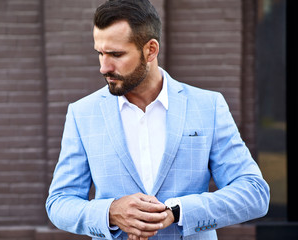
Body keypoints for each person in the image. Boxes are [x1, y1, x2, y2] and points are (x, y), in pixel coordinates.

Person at [46, 0, 270, 239]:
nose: (104, 67)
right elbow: (59, 203)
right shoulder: (82, 114)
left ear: (150, 50)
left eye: (116, 54)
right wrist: (110, 212)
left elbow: (254, 193)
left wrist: (178, 211)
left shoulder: (208, 107)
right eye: (100, 53)